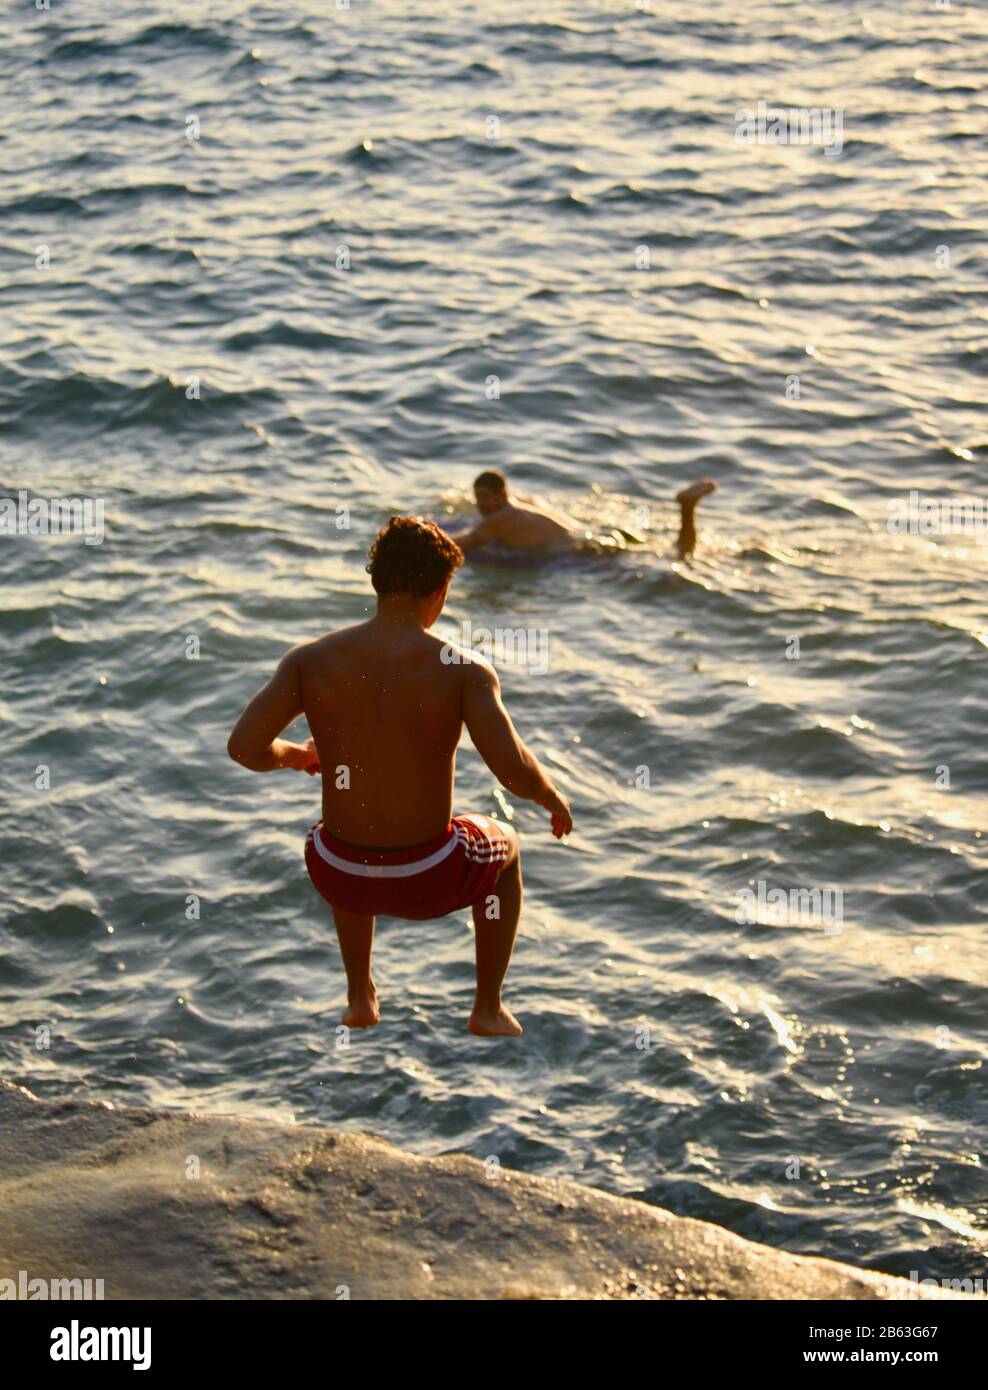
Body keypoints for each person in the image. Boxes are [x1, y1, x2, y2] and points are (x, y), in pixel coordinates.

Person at [227, 516, 573, 1038]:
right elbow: (513, 769)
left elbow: (244, 748)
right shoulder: (463, 669)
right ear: (439, 591)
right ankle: (488, 1007)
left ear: (377, 583)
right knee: (507, 847)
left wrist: (298, 756)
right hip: (427, 878)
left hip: (338, 874)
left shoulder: (308, 660)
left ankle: (360, 997)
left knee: (336, 837)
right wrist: (552, 798)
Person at [450, 469, 717, 559]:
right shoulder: (520, 505)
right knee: (659, 547)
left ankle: (687, 507)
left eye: (485, 497)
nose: (479, 504)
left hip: (586, 550)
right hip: (598, 534)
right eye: (477, 497)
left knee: (678, 553)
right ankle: (688, 508)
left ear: (501, 495)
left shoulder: (498, 521)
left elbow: (458, 544)